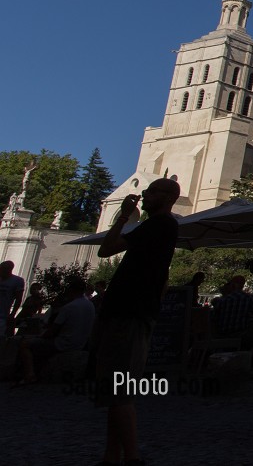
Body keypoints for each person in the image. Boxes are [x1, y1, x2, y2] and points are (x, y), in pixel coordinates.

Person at [92, 176, 181, 466]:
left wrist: (123, 217)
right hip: (127, 312)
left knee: (120, 390)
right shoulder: (154, 226)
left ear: (168, 197)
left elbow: (107, 249)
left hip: (130, 312)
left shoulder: (161, 224)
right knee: (115, 391)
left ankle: (131, 457)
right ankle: (111, 454)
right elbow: (108, 250)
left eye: (152, 191)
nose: (145, 193)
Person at [15, 277, 95, 383]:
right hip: (82, 343)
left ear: (70, 290)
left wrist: (40, 336)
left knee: (25, 344)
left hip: (63, 343)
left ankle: (29, 374)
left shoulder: (69, 307)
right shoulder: (90, 305)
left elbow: (52, 331)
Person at [0, 259, 23, 337]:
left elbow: (19, 298)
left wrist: (13, 313)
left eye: (3, 269)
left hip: (3, 316)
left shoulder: (17, 281)